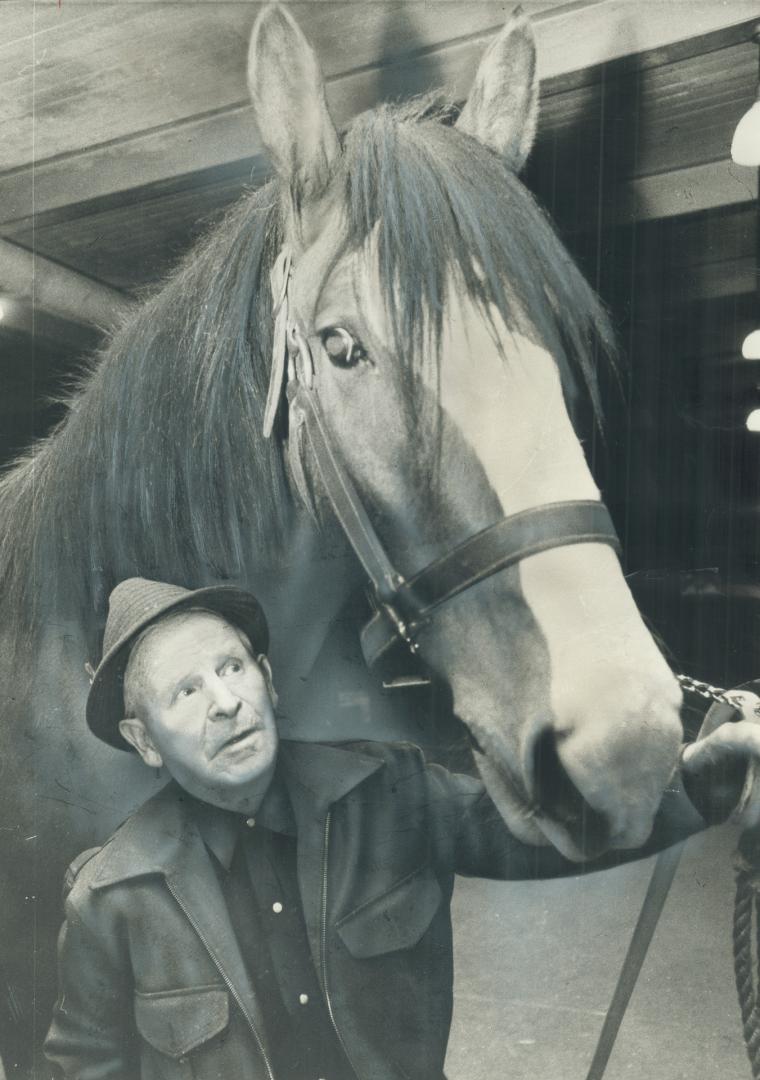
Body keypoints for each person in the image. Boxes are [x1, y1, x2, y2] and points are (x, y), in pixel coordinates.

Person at [43, 577, 760, 1080]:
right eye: (186, 691)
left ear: (268, 675)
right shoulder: (113, 900)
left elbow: (550, 830)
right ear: (142, 740)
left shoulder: (390, 792)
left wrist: (707, 780)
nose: (226, 702)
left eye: (232, 666)